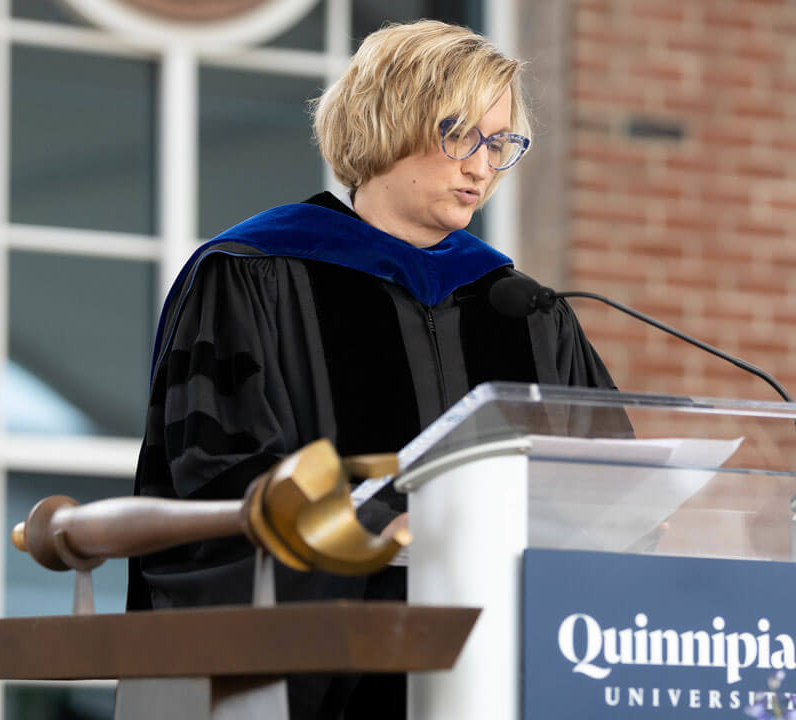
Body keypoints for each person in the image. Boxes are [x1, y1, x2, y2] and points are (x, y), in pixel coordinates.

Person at [129, 19, 627, 719]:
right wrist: (378, 526)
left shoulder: (523, 308)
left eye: (502, 143)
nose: (482, 167)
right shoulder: (254, 276)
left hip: (500, 668)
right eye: (463, 136)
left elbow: (609, 482)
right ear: (391, 120)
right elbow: (217, 471)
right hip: (325, 662)